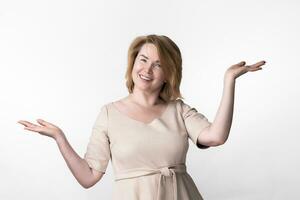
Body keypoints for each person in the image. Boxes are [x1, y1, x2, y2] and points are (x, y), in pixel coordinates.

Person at [18, 34, 266, 200]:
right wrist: (60, 138)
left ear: (169, 73)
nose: (147, 70)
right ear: (133, 62)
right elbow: (88, 177)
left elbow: (216, 136)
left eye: (158, 64)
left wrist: (228, 81)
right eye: (143, 59)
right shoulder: (109, 113)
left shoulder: (178, 110)